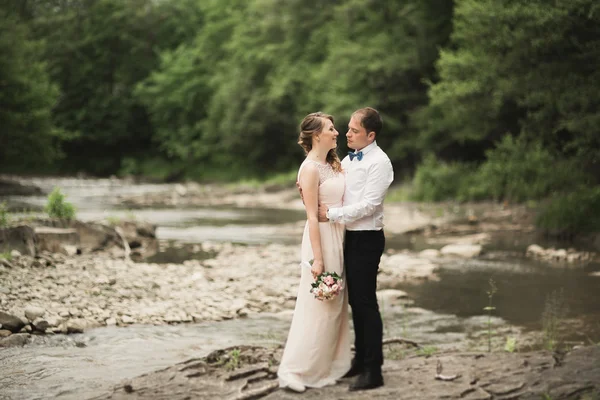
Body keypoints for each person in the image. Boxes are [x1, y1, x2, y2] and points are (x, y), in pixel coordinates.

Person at [319, 107, 394, 391]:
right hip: (346, 237)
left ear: (370, 135)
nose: (347, 134)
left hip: (366, 238)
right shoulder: (350, 160)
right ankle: (360, 361)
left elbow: (370, 206)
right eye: (348, 128)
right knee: (354, 303)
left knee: (365, 303)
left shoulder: (380, 162)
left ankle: (374, 371)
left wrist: (333, 215)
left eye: (354, 130)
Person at [277, 112, 351, 392]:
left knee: (335, 305)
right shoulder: (309, 169)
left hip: (339, 235)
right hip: (320, 238)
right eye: (331, 129)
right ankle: (297, 370)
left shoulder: (333, 164)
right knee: (319, 304)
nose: (337, 132)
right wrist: (317, 259)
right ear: (317, 135)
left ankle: (330, 365)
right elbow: (311, 216)